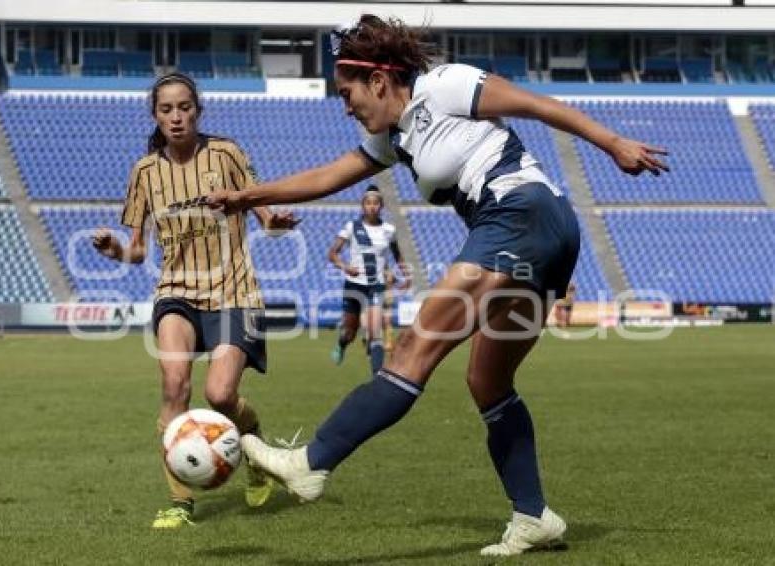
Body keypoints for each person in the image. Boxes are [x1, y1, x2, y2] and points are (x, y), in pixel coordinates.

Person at [208, 15, 668, 556]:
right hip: (541, 234)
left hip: (520, 213)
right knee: (487, 383)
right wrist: (247, 197)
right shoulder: (391, 138)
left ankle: (312, 462)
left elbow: (538, 106)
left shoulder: (445, 85)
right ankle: (534, 515)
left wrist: (613, 142)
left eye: (347, 91)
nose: (345, 105)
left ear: (379, 80)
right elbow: (327, 177)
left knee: (412, 349)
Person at [92, 72, 299, 529]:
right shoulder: (145, 171)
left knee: (220, 394)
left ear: (197, 110)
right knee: (174, 387)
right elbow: (139, 250)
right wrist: (116, 252)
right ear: (155, 116)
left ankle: (257, 450)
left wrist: (280, 221)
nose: (176, 117)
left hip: (233, 290)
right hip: (176, 292)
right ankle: (180, 502)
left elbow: (266, 218)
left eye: (184, 107)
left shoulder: (226, 153)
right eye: (166, 110)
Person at [328, 184, 410, 373]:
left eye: (376, 203)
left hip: (376, 285)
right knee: (350, 331)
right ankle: (342, 344)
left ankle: (377, 377)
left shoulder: (389, 230)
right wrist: (345, 267)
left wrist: (406, 276)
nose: (372, 206)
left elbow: (398, 255)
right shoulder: (352, 227)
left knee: (375, 331)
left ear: (381, 206)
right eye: (368, 203)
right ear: (362, 205)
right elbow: (332, 254)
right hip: (354, 285)